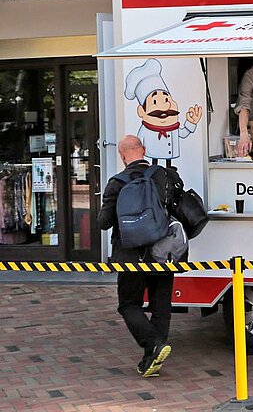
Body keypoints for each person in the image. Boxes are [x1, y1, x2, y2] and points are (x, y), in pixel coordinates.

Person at [97, 135, 179, 378]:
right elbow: (177, 210)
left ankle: (153, 346)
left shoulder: (116, 183)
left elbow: (104, 223)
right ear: (143, 150)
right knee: (161, 304)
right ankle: (153, 354)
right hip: (163, 252)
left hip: (129, 254)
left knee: (129, 304)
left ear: (122, 156)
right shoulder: (164, 176)